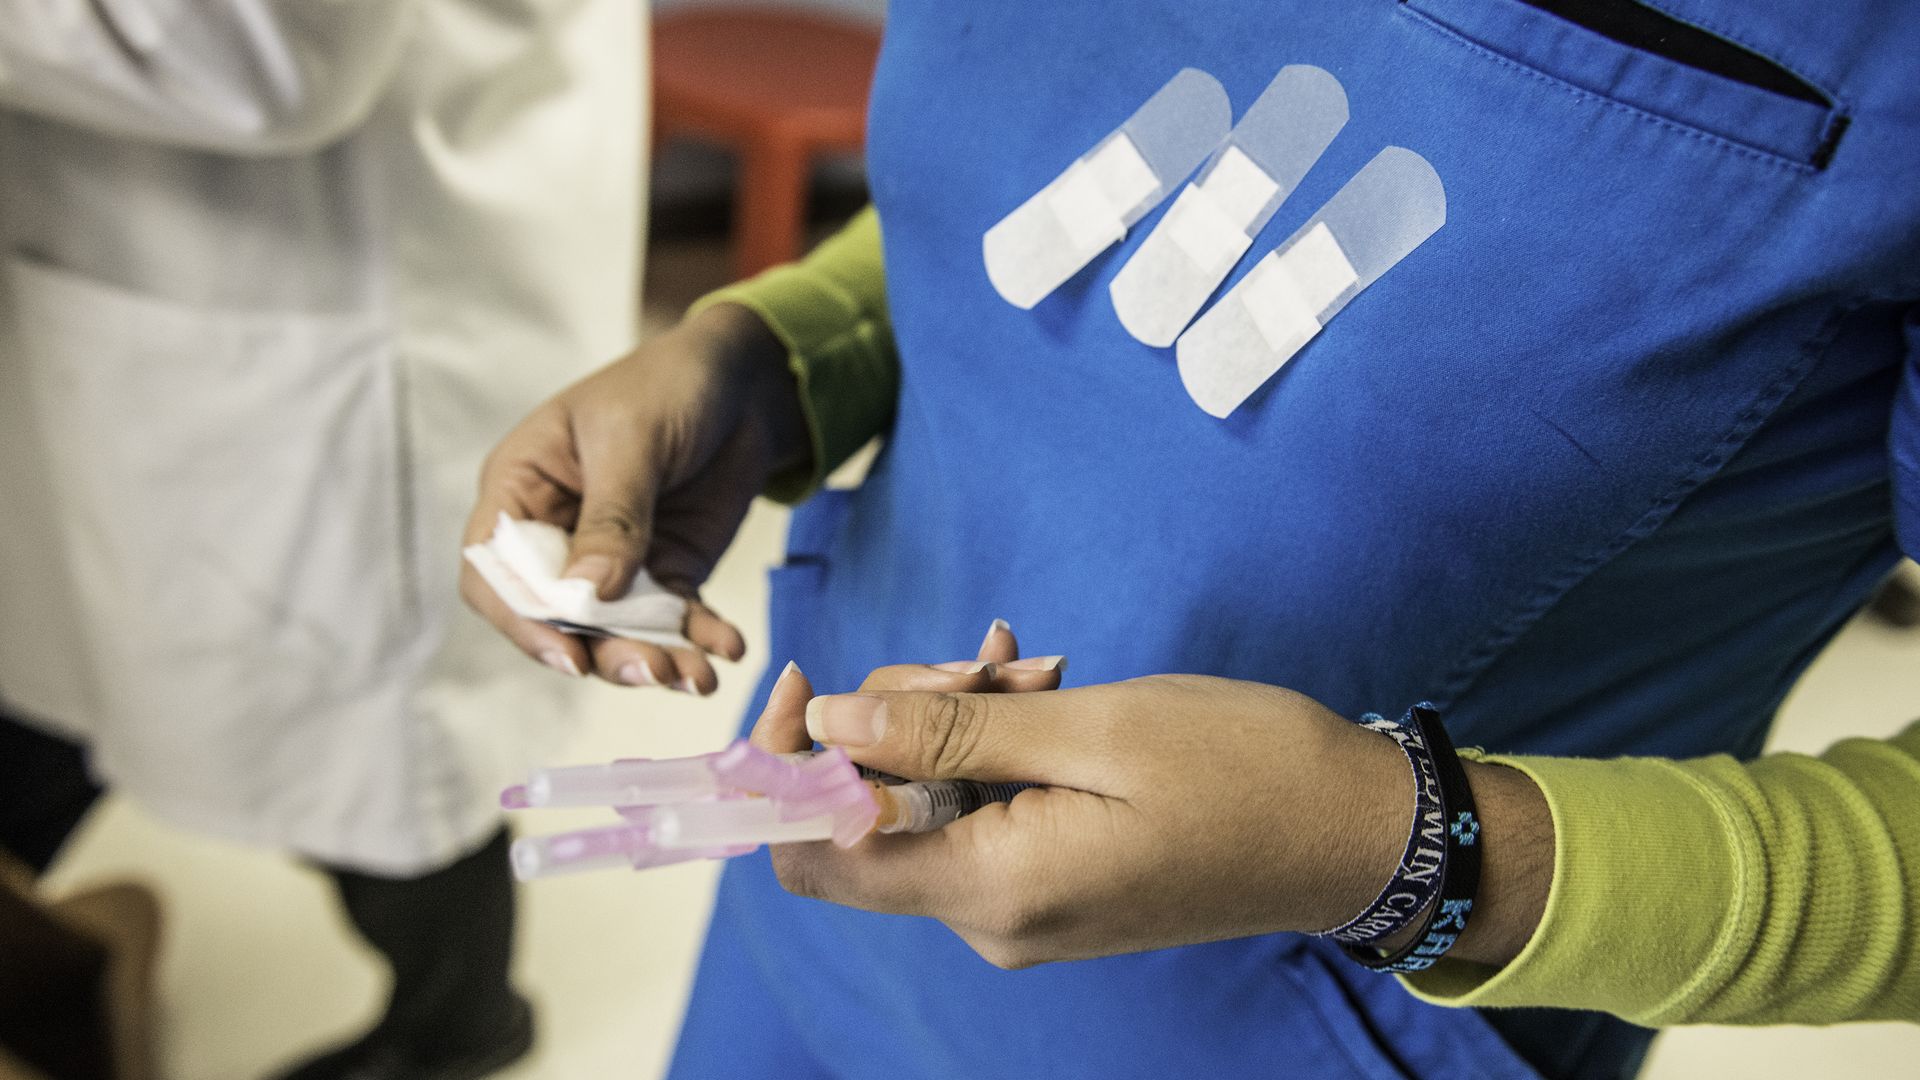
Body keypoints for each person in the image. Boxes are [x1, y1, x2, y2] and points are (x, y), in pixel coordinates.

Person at [467, 2, 1919, 1077]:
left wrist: (1401, 847)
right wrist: (786, 351)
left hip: (1292, 1030)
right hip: (822, 907)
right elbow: (1136, 169)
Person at [0, 3, 644, 1077]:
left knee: (379, 745)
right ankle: (52, 967)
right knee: (77, 652)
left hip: (329, 268)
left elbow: (272, 52)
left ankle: (456, 1027)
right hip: (135, 255)